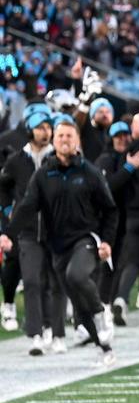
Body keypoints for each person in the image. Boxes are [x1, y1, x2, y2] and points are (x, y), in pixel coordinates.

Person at [1, 119, 117, 366]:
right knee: (77, 301)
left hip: (86, 239)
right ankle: (104, 347)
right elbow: (27, 207)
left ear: (77, 142)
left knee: (77, 276)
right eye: (61, 136)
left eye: (69, 136)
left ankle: (100, 311)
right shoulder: (43, 175)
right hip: (57, 246)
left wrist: (106, 240)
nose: (65, 140)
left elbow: (110, 210)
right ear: (54, 141)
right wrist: (8, 234)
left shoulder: (89, 172)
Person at [0, 110, 66, 353]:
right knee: (30, 280)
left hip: (55, 229)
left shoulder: (60, 159)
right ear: (30, 130)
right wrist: (8, 209)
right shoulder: (16, 160)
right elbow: (3, 186)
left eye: (49, 127)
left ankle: (55, 332)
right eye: (40, 127)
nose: (45, 131)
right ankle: (36, 333)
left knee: (54, 282)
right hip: (27, 231)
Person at [97, 119, 139, 326]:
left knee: (125, 262)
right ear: (111, 139)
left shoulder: (129, 155)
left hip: (125, 217)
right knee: (111, 264)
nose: (122, 139)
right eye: (117, 136)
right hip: (109, 220)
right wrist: (129, 167)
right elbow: (108, 188)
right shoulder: (106, 159)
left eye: (124, 135)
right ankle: (104, 305)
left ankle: (114, 302)